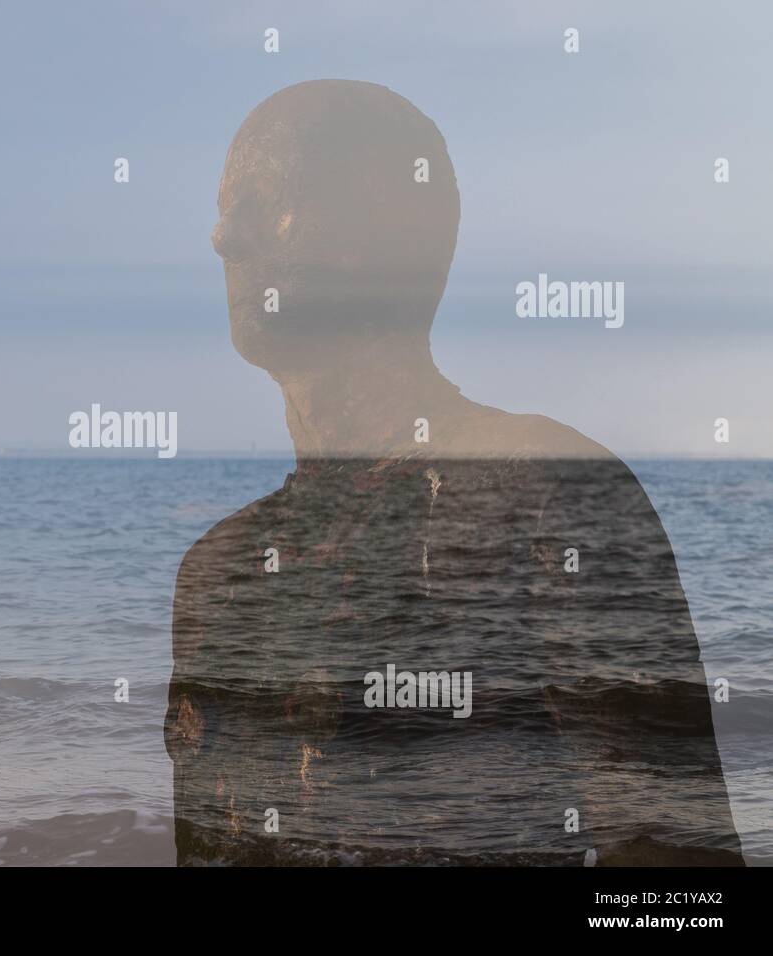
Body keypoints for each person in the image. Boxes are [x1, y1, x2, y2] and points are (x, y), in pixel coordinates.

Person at [164, 79, 742, 865]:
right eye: (227, 205)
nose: (224, 238)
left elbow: (680, 891)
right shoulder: (218, 571)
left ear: (376, 229)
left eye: (264, 201)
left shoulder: (542, 490)